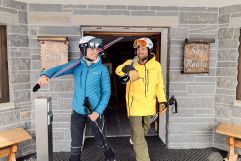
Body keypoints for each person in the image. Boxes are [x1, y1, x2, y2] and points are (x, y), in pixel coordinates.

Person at [37, 36, 117, 161]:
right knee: (76, 143)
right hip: (78, 112)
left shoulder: (102, 69)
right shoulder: (76, 65)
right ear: (83, 49)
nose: (95, 51)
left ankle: (110, 156)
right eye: (91, 49)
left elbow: (106, 92)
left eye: (97, 49)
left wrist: (98, 112)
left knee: (101, 139)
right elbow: (59, 69)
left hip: (95, 112)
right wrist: (45, 75)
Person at [115, 37, 167, 161]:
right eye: (138, 49)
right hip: (134, 106)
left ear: (149, 50)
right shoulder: (131, 62)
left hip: (149, 105)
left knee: (145, 128)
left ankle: (133, 138)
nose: (140, 52)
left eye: (143, 49)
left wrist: (162, 100)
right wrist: (127, 69)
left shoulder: (156, 65)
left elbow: (159, 85)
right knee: (139, 137)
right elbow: (118, 70)